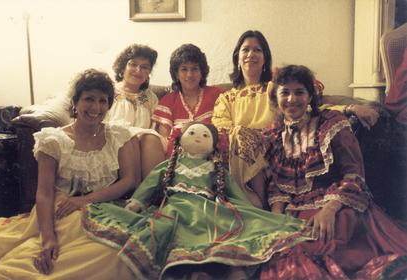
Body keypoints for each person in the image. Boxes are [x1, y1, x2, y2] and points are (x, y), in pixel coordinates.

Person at [81, 122, 312, 280]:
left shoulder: (217, 169)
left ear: (213, 144)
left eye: (204, 136)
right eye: (192, 134)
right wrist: (136, 203)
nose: (198, 138)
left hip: (208, 210)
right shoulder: (169, 165)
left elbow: (233, 192)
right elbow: (150, 183)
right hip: (174, 209)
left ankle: (209, 269)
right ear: (181, 139)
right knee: (161, 229)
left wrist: (246, 211)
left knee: (221, 234)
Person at [260, 65, 407, 279]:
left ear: (310, 96)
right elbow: (277, 186)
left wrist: (329, 210)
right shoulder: (274, 134)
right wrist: (276, 221)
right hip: (296, 211)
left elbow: (355, 176)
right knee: (285, 254)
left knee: (323, 245)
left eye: (299, 92)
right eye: (285, 92)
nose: (292, 99)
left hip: (339, 204)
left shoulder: (331, 124)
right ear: (276, 97)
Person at [0, 69, 140, 279]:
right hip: (60, 212)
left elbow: (129, 181)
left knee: (118, 253)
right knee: (41, 257)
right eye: (89, 99)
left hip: (104, 210)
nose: (96, 107)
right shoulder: (54, 140)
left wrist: (85, 200)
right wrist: (48, 237)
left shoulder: (118, 135)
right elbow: (43, 193)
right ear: (75, 102)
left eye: (102, 101)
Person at [212, 30, 380, 209]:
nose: (251, 54)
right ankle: (256, 206)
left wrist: (350, 108)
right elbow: (221, 130)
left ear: (265, 58)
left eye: (257, 50)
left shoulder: (276, 89)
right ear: (237, 57)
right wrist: (248, 138)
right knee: (238, 135)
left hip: (277, 150)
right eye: (246, 50)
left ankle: (259, 209)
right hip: (243, 157)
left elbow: (311, 107)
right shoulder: (226, 98)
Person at [152, 44, 224, 155]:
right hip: (178, 161)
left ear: (202, 72)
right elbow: (164, 141)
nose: (189, 74)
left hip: (213, 158)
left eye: (194, 69)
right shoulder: (168, 101)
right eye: (184, 69)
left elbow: (224, 131)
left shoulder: (217, 95)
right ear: (176, 74)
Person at [106, 44, 166, 178]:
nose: (138, 70)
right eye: (133, 64)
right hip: (113, 146)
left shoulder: (150, 97)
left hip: (143, 151)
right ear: (122, 67)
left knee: (151, 139)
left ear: (148, 73)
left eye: (144, 67)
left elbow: (155, 129)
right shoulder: (108, 91)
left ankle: (149, 193)